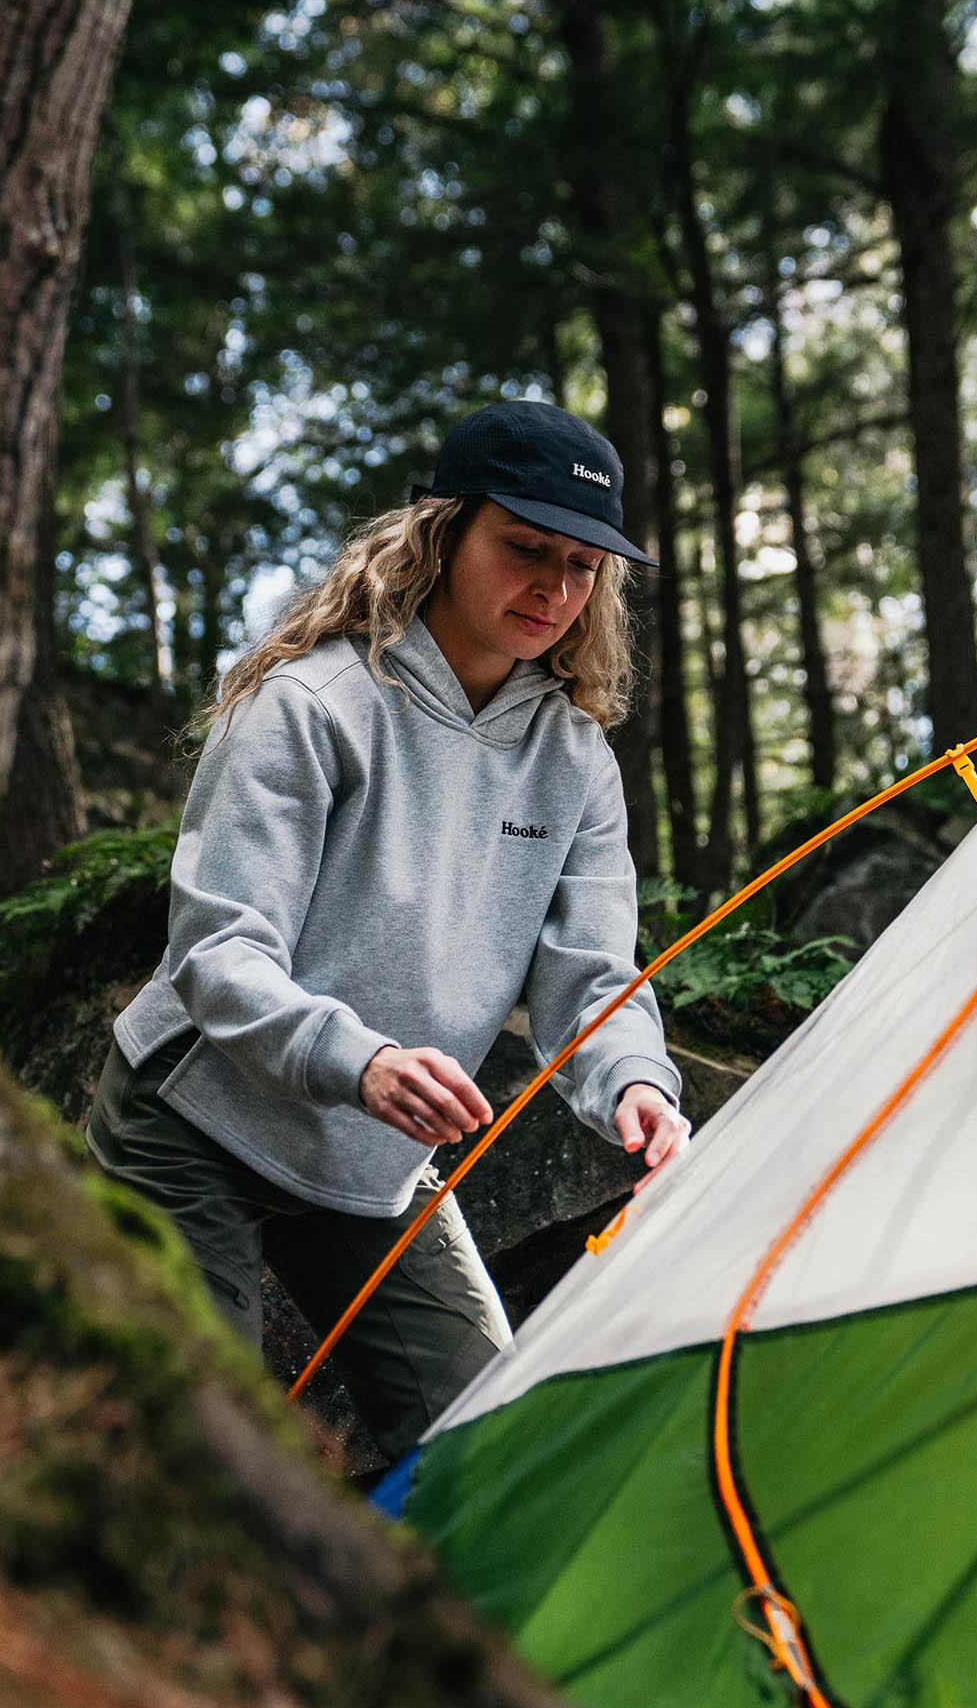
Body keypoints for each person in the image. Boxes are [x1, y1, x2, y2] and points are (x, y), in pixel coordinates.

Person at [85, 398, 691, 1463]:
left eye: (584, 564)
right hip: (195, 1116)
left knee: (482, 1446)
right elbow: (218, 953)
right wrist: (359, 1060)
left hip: (375, 1159)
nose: (555, 587)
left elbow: (590, 976)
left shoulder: (577, 761)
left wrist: (636, 1086)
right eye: (525, 548)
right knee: (197, 1447)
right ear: (443, 532)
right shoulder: (310, 704)